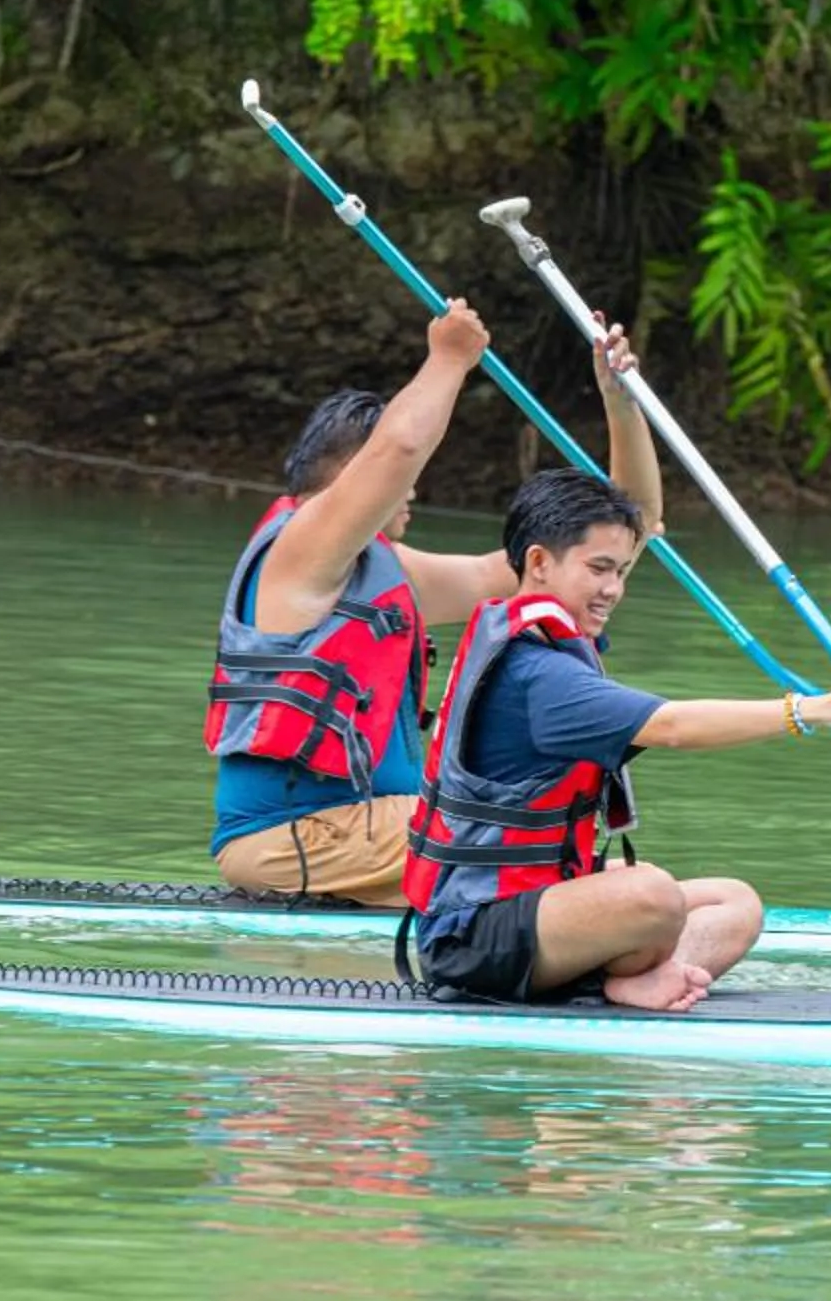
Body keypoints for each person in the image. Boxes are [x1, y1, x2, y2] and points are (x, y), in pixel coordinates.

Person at [400, 468, 831, 1011]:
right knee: (653, 894)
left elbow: (640, 506)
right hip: (472, 938)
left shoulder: (543, 638)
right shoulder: (536, 674)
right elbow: (672, 727)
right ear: (540, 563)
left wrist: (622, 401)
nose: (614, 589)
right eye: (599, 569)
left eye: (621, 571)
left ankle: (641, 979)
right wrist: (809, 711)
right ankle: (614, 982)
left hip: (532, 899)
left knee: (735, 903)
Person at [207, 300, 661, 905]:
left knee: (593, 871)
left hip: (371, 834)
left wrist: (619, 402)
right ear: (355, 476)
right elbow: (397, 450)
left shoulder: (389, 571)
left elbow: (623, 530)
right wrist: (449, 357)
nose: (414, 487)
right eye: (401, 477)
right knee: (560, 858)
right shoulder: (299, 552)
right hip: (295, 839)